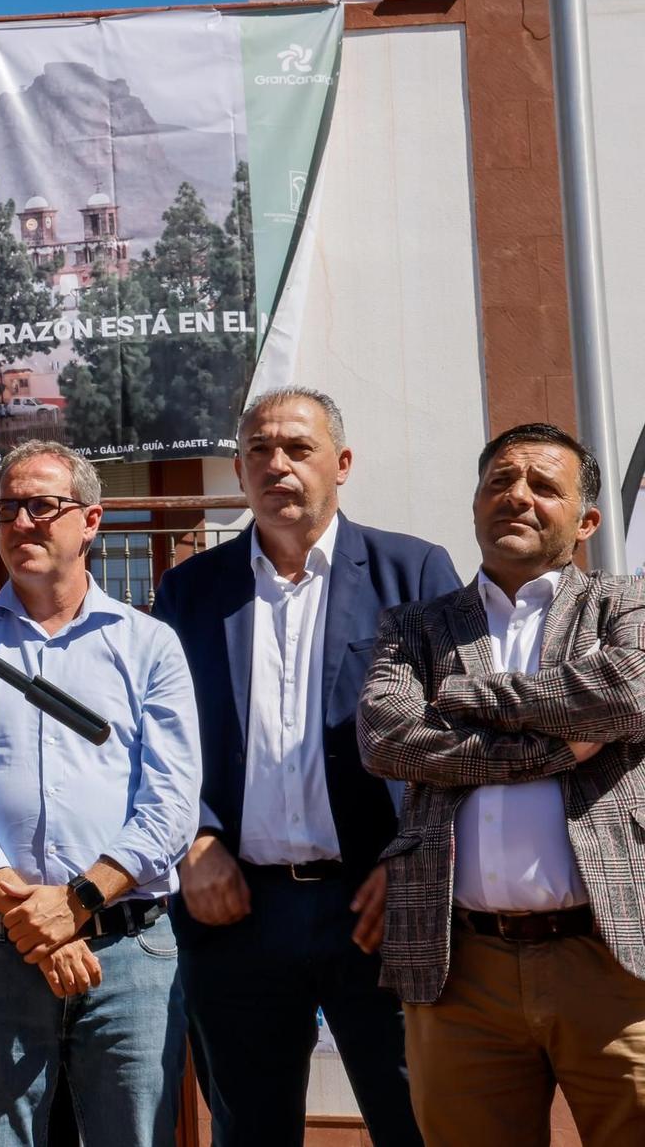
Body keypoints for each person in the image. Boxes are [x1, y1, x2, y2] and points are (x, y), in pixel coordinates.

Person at [152, 387, 456, 1146]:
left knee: (416, 1122)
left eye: (297, 448)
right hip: (236, 912)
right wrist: (193, 841)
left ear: (342, 463)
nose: (276, 464)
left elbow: (461, 734)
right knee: (250, 1132)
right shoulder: (191, 590)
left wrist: (414, 857)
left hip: (375, 908)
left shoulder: (411, 574)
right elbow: (156, 738)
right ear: (238, 468)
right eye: (258, 450)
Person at [359, 423, 645, 1147]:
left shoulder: (624, 605)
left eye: (542, 486)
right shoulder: (416, 626)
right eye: (499, 482)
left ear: (585, 521)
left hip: (611, 957)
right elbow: (387, 737)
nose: (515, 495)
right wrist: (552, 749)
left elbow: (629, 694)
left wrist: (478, 697)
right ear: (476, 504)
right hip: (460, 970)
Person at [0, 440, 199, 1147]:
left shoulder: (150, 645)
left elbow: (170, 804)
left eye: (43, 505)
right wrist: (37, 924)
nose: (21, 522)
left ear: (92, 520)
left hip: (128, 952)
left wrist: (76, 903)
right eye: (7, 508)